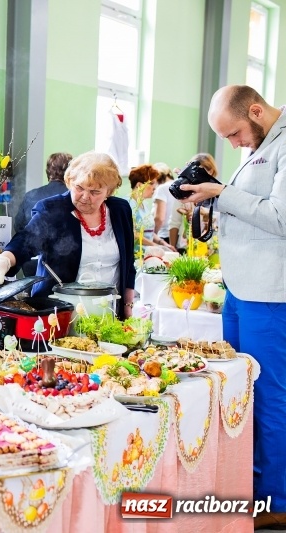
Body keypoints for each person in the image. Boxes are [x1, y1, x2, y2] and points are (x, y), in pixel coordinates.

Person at [178, 85, 286, 528]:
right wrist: (206, 204)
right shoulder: (258, 142)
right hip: (241, 289)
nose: (234, 143)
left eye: (235, 133)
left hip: (270, 294)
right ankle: (249, 486)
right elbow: (248, 209)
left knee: (271, 396)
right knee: (240, 391)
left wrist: (221, 193)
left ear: (257, 110)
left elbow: (280, 217)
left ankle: (276, 500)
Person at [0, 151, 137, 319]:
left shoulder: (120, 210)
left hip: (109, 311)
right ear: (69, 182)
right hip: (59, 313)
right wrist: (4, 260)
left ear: (108, 191)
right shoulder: (52, 209)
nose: (85, 197)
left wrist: (127, 307)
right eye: (79, 188)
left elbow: (128, 265)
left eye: (95, 192)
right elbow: (25, 241)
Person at [168, 153, 218, 251]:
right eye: (193, 171)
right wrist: (172, 248)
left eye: (200, 171)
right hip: (185, 246)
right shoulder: (183, 191)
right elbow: (174, 223)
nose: (196, 175)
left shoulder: (217, 191)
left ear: (211, 171)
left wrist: (208, 216)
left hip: (210, 247)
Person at [15, 152, 72, 229]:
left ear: (48, 171)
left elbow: (18, 226)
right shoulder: (74, 197)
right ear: (70, 173)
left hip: (32, 240)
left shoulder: (30, 195)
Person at [128, 164, 176, 253]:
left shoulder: (144, 205)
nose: (155, 187)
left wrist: (162, 243)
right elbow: (132, 234)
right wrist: (155, 245)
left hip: (148, 253)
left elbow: (149, 232)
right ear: (139, 185)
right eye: (152, 183)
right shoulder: (128, 204)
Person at [151, 163, 176, 243]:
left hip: (164, 236)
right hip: (178, 235)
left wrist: (152, 235)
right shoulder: (178, 185)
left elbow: (159, 218)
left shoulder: (161, 189)